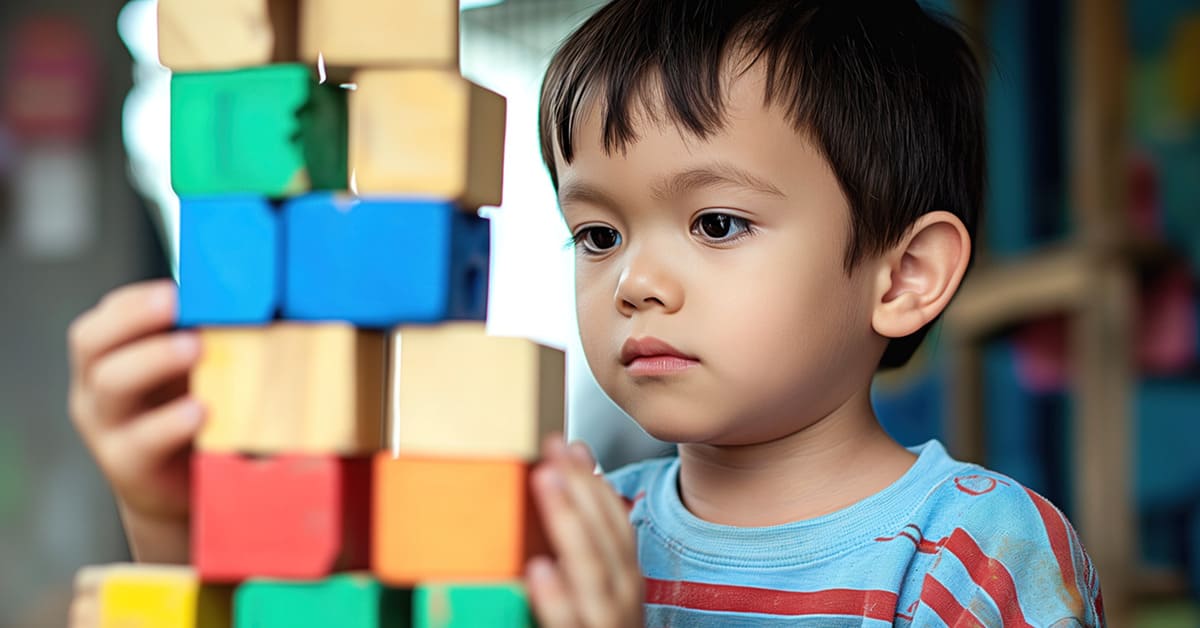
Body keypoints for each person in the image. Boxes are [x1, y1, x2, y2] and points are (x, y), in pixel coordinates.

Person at [68, 1, 1103, 626]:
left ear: (904, 273)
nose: (634, 282)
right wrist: (174, 518)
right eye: (598, 235)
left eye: (718, 222)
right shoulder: (577, 528)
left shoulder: (973, 553)